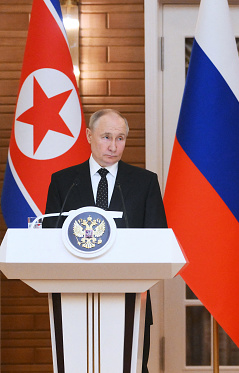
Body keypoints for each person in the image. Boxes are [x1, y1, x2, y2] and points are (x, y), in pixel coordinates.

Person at [44, 108, 167, 373]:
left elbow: (157, 239)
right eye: (106, 137)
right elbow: (49, 238)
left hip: (132, 298)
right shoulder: (63, 182)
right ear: (89, 135)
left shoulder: (145, 182)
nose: (113, 146)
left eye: (120, 138)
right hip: (73, 299)